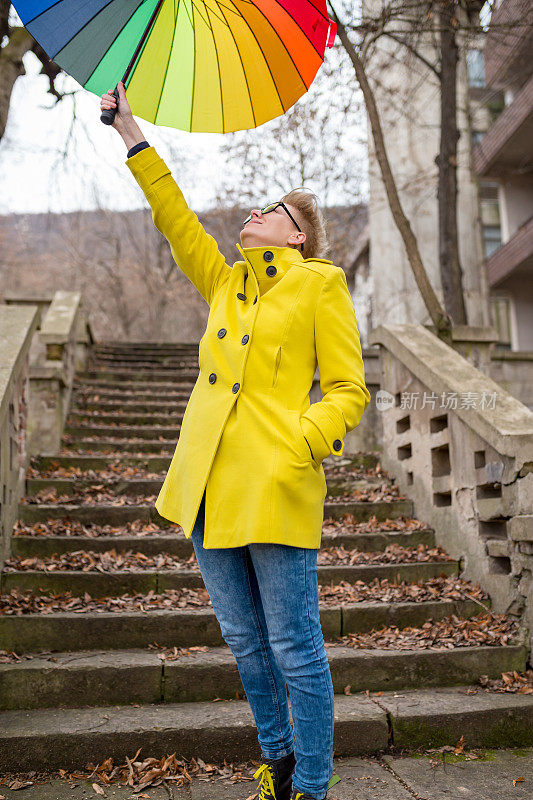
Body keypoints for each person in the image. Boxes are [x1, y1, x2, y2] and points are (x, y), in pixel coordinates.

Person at [100, 82, 370, 800]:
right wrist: (130, 131)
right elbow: (174, 220)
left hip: (276, 484)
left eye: (270, 211)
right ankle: (278, 763)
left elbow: (349, 390)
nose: (252, 213)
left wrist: (299, 442)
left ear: (298, 234)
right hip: (210, 486)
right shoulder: (224, 285)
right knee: (247, 645)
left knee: (293, 647)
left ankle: (312, 784)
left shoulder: (319, 286)